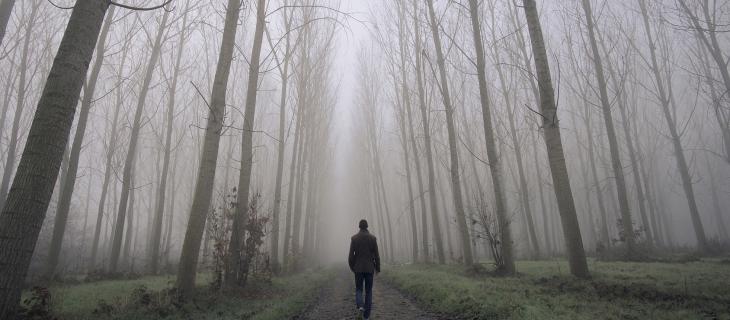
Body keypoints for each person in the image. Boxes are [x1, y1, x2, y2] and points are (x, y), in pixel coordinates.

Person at [348, 219, 380, 320]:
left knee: (358, 289)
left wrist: (353, 267)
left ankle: (360, 306)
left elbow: (350, 256)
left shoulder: (354, 238)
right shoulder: (373, 238)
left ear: (359, 226)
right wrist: (377, 268)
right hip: (370, 268)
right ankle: (366, 317)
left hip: (358, 268)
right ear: (367, 226)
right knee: (369, 291)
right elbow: (377, 255)